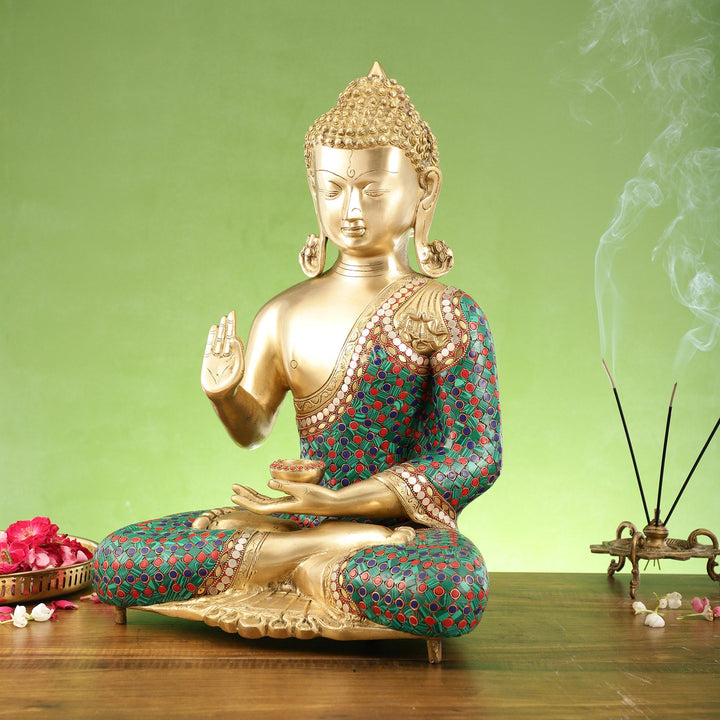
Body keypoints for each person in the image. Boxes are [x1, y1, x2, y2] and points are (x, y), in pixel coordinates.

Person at [93, 63, 501, 641]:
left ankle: (292, 557)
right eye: (334, 190)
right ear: (314, 190)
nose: (351, 210)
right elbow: (253, 429)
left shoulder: (444, 313)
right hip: (293, 519)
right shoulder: (285, 311)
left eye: (372, 190)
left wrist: (344, 501)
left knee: (448, 590)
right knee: (119, 557)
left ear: (425, 188)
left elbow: (477, 455)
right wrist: (224, 394)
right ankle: (314, 557)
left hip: (398, 537)